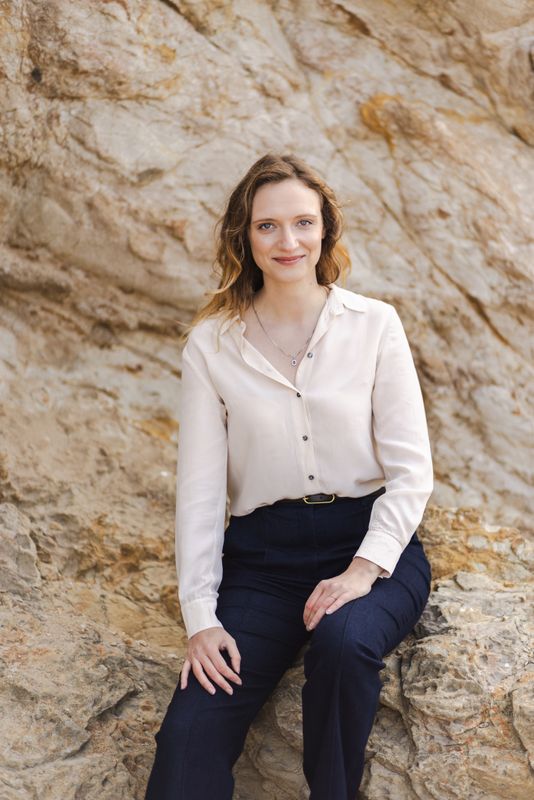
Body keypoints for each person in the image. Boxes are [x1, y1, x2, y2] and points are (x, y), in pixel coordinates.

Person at [145, 153, 433, 800]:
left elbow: (412, 470)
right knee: (189, 732)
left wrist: (362, 570)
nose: (288, 241)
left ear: (325, 229)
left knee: (344, 642)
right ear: (243, 236)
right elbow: (199, 493)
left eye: (303, 223)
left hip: (368, 542)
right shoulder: (212, 345)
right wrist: (201, 617)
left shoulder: (374, 325)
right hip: (262, 564)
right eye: (267, 226)